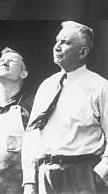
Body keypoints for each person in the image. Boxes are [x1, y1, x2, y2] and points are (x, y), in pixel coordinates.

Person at [22, 21, 108, 194]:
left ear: (82, 52)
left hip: (82, 174)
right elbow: (32, 134)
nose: (57, 47)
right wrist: (30, 180)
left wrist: (100, 173)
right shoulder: (47, 85)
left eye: (66, 43)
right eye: (57, 41)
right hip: (45, 175)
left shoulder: (100, 86)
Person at [0, 47, 33, 194]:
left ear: (24, 73)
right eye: (1, 61)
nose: (4, 62)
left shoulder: (32, 106)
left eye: (11, 61)